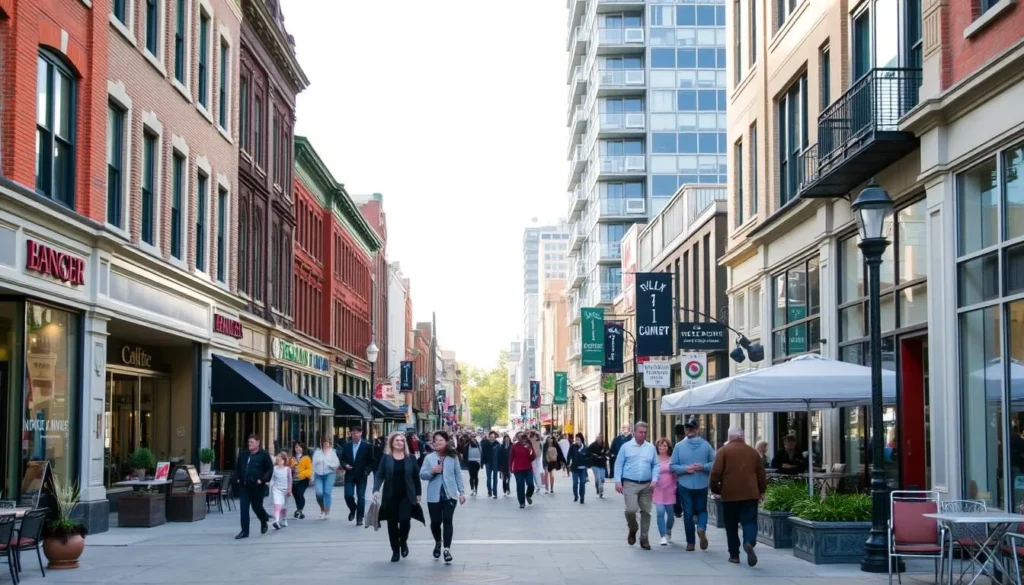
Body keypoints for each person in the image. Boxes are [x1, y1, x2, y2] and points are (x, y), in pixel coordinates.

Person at [710, 427, 767, 567]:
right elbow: (761, 474)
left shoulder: (723, 451)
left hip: (729, 495)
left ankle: (734, 555)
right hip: (750, 494)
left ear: (729, 437)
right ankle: (749, 542)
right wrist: (761, 490)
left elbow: (715, 473)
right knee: (750, 522)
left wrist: (715, 488)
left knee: (731, 526)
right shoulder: (753, 452)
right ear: (743, 437)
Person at [372, 432, 423, 563]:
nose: (400, 442)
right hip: (390, 495)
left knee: (405, 520)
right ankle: (395, 550)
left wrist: (418, 493)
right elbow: (379, 474)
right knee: (392, 524)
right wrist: (376, 490)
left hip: (407, 495)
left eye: (401, 440)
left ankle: (403, 540)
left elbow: (416, 477)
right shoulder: (386, 458)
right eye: (397, 441)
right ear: (391, 443)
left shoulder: (410, 458)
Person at [670, 417, 716, 552]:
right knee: (702, 510)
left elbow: (672, 465)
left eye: (690, 428)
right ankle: (701, 528)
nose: (689, 430)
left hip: (685, 483)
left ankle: (691, 542)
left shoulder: (679, 446)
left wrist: (684, 469)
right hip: (701, 483)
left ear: (695, 430)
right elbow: (714, 463)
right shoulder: (706, 445)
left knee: (688, 513)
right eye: (688, 428)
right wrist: (704, 466)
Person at [419, 431, 466, 565]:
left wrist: (461, 492)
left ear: (446, 442)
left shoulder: (453, 457)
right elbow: (422, 475)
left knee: (447, 520)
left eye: (441, 441)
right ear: (432, 443)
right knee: (435, 522)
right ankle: (438, 542)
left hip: (450, 495)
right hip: (434, 496)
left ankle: (446, 549)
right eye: (436, 441)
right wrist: (432, 472)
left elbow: (458, 475)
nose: (438, 443)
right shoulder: (428, 458)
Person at [614, 422, 659, 550]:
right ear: (634, 432)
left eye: (645, 432)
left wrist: (655, 480)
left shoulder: (650, 448)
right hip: (630, 483)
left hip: (646, 484)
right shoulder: (626, 447)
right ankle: (633, 528)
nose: (643, 434)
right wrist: (618, 481)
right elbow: (619, 464)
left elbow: (656, 464)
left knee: (646, 511)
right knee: (631, 510)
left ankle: (644, 539)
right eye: (640, 432)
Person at [234, 434, 273, 539]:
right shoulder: (243, 454)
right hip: (244, 486)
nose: (249, 444)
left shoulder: (264, 455)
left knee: (257, 507)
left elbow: (269, 469)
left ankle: (263, 520)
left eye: (251, 442)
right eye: (249, 442)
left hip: (257, 486)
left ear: (258, 442)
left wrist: (263, 479)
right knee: (244, 509)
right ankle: (244, 531)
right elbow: (238, 468)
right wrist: (238, 478)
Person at [341, 425, 374, 525]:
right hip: (350, 474)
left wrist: (366, 471)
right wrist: (345, 465)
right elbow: (342, 459)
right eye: (352, 433)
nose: (354, 435)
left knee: (361, 497)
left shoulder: (367, 446)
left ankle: (360, 518)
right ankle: (353, 508)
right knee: (348, 495)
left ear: (361, 433)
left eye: (356, 433)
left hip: (361, 475)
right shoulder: (347, 445)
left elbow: (372, 461)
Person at [653, 438, 677, 546]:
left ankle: (668, 531)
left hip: (670, 489)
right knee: (660, 512)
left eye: (665, 446)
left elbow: (677, 473)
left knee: (671, 516)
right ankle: (662, 536)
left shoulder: (672, 459)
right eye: (660, 446)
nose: (662, 448)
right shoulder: (654, 459)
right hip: (658, 489)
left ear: (668, 448)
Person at [312, 438, 340, 519]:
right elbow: (313, 464)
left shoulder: (332, 452)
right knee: (319, 493)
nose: (326, 443)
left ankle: (327, 511)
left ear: (330, 443)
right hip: (318, 474)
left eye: (328, 442)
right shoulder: (317, 453)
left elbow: (336, 464)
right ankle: (322, 508)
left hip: (329, 474)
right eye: (324, 442)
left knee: (327, 492)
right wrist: (311, 477)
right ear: (322, 443)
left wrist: (329, 464)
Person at [509, 432, 536, 508]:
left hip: (528, 468)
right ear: (517, 438)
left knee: (531, 484)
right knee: (520, 486)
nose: (521, 438)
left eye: (523, 437)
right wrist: (510, 468)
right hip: (518, 469)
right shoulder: (514, 446)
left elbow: (532, 458)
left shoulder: (528, 446)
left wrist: (531, 451)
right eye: (519, 437)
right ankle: (521, 502)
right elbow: (511, 458)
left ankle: (528, 495)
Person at [270, 452, 292, 530]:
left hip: (285, 490)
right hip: (276, 489)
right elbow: (272, 479)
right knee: (277, 505)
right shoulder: (274, 468)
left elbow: (290, 480)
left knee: (284, 507)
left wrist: (289, 489)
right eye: (277, 460)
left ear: (284, 460)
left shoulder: (287, 469)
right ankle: (276, 521)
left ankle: (284, 519)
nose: (278, 462)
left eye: (280, 460)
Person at [566, 433, 589, 504]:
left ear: (581, 440)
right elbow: (569, 455)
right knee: (575, 483)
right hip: (575, 468)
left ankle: (582, 497)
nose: (576, 441)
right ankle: (576, 495)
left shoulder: (585, 448)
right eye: (576, 439)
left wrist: (588, 464)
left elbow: (588, 457)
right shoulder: (573, 447)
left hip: (583, 468)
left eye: (578, 439)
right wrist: (568, 463)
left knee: (582, 483)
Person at [290, 442, 311, 519]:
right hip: (293, 480)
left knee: (300, 493)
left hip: (303, 480)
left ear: (302, 448)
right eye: (296, 447)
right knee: (296, 495)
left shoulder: (306, 458)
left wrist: (300, 474)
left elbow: (309, 470)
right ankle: (299, 510)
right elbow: (289, 468)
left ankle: (299, 509)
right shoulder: (292, 458)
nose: (297, 449)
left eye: (299, 447)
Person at [588, 433, 609, 498]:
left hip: (602, 464)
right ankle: (599, 489)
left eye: (601, 437)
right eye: (598, 437)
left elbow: (608, 451)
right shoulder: (592, 445)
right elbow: (588, 453)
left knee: (602, 478)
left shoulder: (605, 445)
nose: (600, 439)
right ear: (596, 438)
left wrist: (608, 455)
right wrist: (592, 456)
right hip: (595, 464)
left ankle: (601, 488)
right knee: (597, 478)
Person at [483, 431, 501, 499]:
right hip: (488, 463)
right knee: (488, 478)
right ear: (489, 437)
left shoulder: (497, 444)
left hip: (495, 463)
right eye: (490, 437)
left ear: (495, 437)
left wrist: (500, 464)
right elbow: (483, 454)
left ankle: (495, 493)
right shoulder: (485, 444)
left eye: (493, 437)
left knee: (495, 478)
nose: (492, 438)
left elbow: (500, 455)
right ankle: (489, 491)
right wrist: (483, 462)